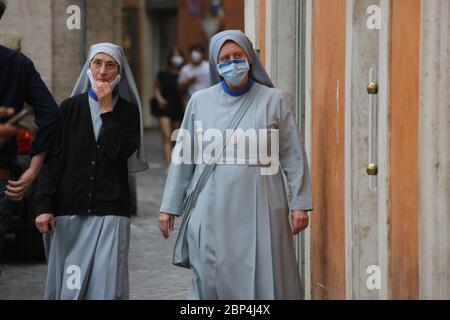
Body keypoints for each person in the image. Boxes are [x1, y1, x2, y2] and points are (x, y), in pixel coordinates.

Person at [158, 30, 313, 300]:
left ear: (250, 58)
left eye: (238, 56)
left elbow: (293, 154)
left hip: (262, 203)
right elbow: (183, 157)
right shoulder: (199, 101)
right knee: (209, 277)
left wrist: (300, 203)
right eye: (226, 58)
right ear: (216, 64)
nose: (233, 62)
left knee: (263, 274)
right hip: (211, 205)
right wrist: (169, 207)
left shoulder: (273, 100)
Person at [35, 43, 148, 300]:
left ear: (119, 71)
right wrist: (43, 205)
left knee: (106, 289)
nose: (102, 71)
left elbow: (117, 153)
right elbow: (54, 161)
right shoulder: (69, 108)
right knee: (70, 290)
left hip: (111, 214)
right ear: (88, 67)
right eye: (97, 63)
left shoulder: (128, 112)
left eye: (110, 65)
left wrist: (107, 110)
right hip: (70, 214)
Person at [0, 0, 60, 270]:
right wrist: (32, 170)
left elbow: (52, 117)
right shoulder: (17, 64)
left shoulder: (18, 64)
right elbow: (51, 116)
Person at [153, 47, 185, 166]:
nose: (176, 58)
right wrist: (159, 98)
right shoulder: (163, 72)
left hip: (177, 106)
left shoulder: (184, 72)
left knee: (175, 137)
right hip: (164, 106)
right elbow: (156, 87)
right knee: (166, 135)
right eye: (174, 55)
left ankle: (175, 163)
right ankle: (168, 164)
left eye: (179, 55)